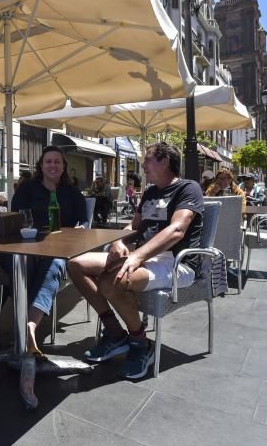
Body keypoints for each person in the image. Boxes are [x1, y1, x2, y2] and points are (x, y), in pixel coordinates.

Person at [67, 141, 204, 379]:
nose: (143, 165)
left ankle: (141, 343)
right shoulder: (150, 192)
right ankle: (115, 333)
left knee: (112, 280)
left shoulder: (188, 188)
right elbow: (134, 225)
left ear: (164, 162)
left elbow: (177, 230)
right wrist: (119, 241)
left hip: (176, 262)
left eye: (148, 159)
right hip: (142, 256)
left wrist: (138, 255)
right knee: (75, 264)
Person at [0, 145, 87, 358]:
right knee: (24, 263)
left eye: (57, 161)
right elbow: (16, 217)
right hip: (22, 246)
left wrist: (81, 229)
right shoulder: (27, 189)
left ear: (64, 166)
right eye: (48, 161)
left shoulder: (72, 192)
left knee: (55, 263)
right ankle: (24, 326)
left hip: (58, 248)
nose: (53, 165)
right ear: (41, 165)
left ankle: (28, 326)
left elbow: (83, 219)